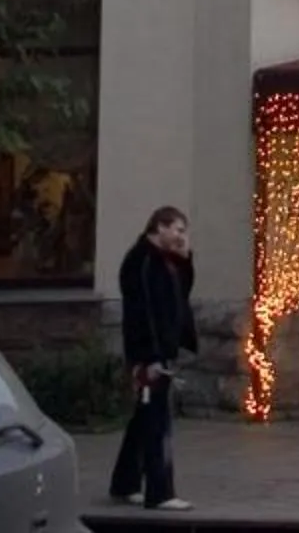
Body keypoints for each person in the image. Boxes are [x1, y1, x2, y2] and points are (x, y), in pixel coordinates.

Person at [108, 204, 196, 512]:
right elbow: (142, 314)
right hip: (150, 357)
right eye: (178, 230)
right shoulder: (142, 262)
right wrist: (151, 358)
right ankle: (159, 492)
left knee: (143, 419)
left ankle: (125, 483)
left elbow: (181, 296)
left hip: (161, 352)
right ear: (160, 227)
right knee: (157, 422)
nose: (182, 237)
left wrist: (186, 259)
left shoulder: (164, 261)